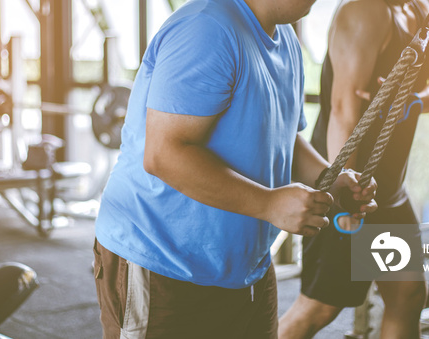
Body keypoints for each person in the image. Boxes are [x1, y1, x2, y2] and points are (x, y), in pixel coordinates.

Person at [92, 0, 378, 338]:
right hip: (164, 261)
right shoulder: (207, 29)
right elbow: (164, 154)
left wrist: (330, 180)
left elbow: (284, 136)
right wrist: (270, 204)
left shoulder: (286, 40)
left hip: (245, 267)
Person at [278, 0, 429, 338]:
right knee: (319, 307)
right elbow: (344, 110)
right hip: (345, 181)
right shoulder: (363, 12)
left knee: (407, 293)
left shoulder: (420, 10)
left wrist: (418, 99)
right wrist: (344, 196)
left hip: (388, 189)